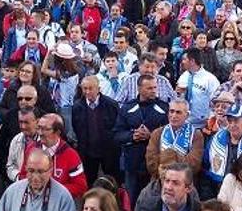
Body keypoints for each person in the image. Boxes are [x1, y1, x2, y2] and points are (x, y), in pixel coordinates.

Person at [115, 74, 169, 202]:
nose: (154, 91)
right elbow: (117, 134)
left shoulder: (164, 108)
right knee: (130, 200)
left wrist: (152, 136)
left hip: (154, 165)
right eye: (149, 88)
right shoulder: (127, 108)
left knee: (152, 200)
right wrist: (132, 136)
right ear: (139, 89)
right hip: (132, 163)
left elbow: (169, 135)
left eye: (155, 87)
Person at [19, 113, 88, 198]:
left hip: (59, 206)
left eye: (45, 129)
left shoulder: (71, 155)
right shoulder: (31, 149)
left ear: (58, 132)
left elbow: (80, 187)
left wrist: (52, 191)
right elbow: (22, 175)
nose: (40, 133)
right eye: (39, 128)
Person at [72, 75, 122, 185]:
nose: (87, 92)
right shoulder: (77, 107)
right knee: (89, 181)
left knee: (112, 181)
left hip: (109, 151)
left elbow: (117, 127)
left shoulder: (111, 105)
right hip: (87, 152)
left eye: (91, 88)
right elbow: (76, 128)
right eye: (85, 88)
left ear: (98, 89)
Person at [146, 98, 205, 180]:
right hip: (159, 180)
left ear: (187, 115)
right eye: (171, 111)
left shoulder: (196, 135)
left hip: (184, 183)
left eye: (178, 112)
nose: (174, 115)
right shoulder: (157, 133)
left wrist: (165, 160)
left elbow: (194, 164)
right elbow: (151, 162)